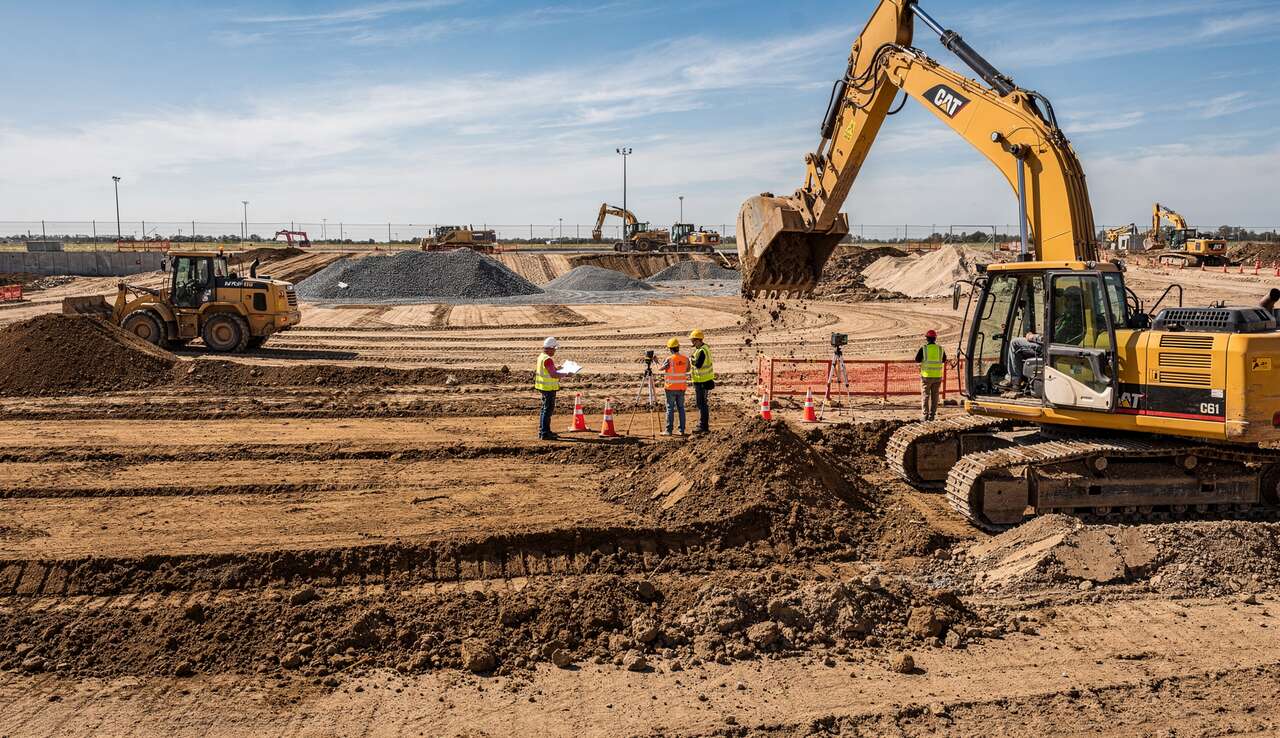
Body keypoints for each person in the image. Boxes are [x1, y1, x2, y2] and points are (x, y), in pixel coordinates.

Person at [535, 337, 569, 441]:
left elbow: (549, 370)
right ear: (550, 348)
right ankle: (545, 433)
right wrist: (567, 374)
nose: (555, 351)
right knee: (547, 410)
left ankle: (544, 431)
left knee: (544, 410)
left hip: (543, 387)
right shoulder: (548, 359)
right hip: (548, 388)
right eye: (554, 349)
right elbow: (553, 375)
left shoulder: (542, 357)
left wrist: (556, 368)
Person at [659, 338, 689, 436]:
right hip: (681, 387)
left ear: (670, 349)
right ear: (678, 347)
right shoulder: (685, 359)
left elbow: (661, 368)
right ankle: (681, 430)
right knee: (681, 408)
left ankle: (668, 430)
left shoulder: (669, 359)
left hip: (670, 388)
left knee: (670, 408)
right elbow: (687, 369)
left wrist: (656, 361)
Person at [915, 329, 945, 421]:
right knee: (935, 396)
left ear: (927, 339)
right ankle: (932, 415)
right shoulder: (940, 349)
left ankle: (925, 415)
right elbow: (943, 360)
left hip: (926, 376)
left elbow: (917, 359)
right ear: (935, 338)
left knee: (925, 396)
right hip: (937, 376)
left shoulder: (924, 349)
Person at [688, 328, 714, 434]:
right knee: (701, 403)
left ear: (698, 340)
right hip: (701, 381)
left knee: (702, 404)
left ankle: (703, 426)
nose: (692, 342)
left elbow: (698, 364)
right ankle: (702, 425)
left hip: (703, 381)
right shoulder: (701, 349)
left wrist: (691, 360)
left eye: (693, 340)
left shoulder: (702, 350)